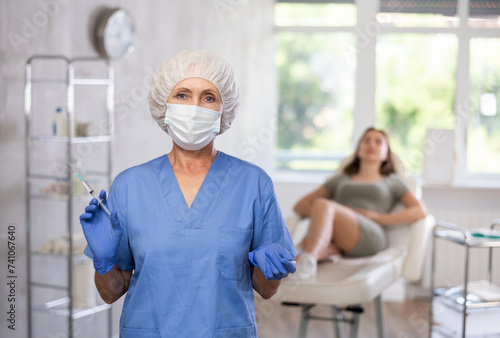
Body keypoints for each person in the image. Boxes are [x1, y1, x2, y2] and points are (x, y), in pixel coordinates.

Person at [79, 50, 296, 337]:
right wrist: (104, 261)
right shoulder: (130, 185)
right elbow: (110, 293)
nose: (195, 107)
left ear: (223, 109)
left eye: (208, 97)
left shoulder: (253, 184)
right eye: (182, 95)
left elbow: (266, 291)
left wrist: (271, 272)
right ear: (163, 105)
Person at [291, 127, 427, 280]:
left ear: (386, 155)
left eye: (378, 142)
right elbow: (300, 205)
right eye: (366, 140)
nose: (371, 145)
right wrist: (326, 216)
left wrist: (378, 218)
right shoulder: (341, 179)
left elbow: (420, 211)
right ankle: (320, 251)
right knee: (321, 206)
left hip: (370, 235)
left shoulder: (392, 182)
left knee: (322, 206)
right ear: (358, 150)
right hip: (339, 234)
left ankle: (308, 260)